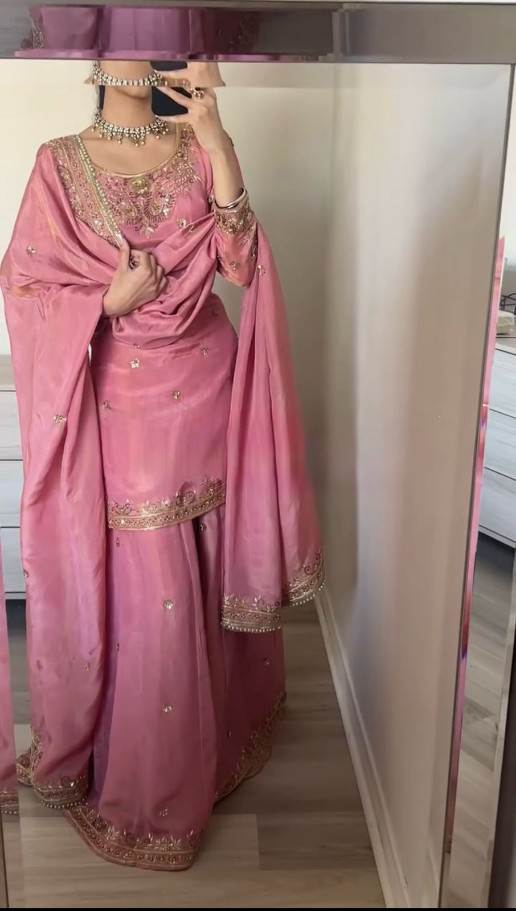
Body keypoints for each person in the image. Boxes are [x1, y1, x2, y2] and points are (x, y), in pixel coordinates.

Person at [0, 61, 324, 870]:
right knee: (151, 576)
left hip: (209, 385)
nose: (142, 53)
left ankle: (220, 735)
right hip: (124, 403)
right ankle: (153, 780)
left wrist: (217, 137)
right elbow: (25, 285)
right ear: (95, 56)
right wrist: (104, 303)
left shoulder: (193, 144)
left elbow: (240, 262)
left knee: (206, 558)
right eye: (126, 35)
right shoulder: (57, 162)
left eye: (158, 35)